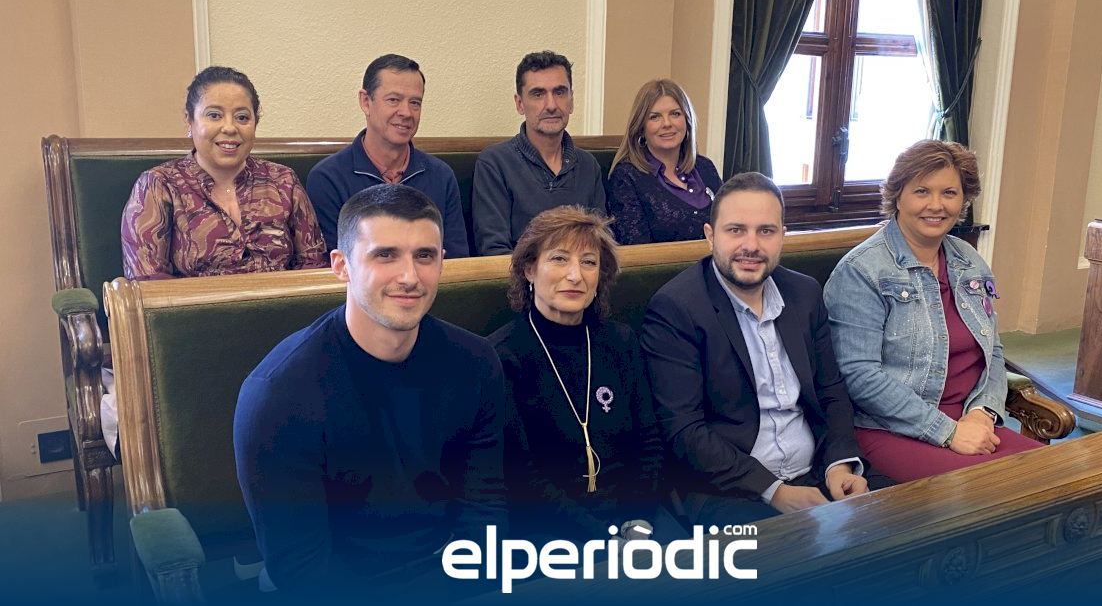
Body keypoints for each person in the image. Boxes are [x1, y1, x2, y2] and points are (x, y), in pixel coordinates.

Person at [234, 184, 505, 596]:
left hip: (450, 576)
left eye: (424, 256)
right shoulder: (278, 393)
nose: (409, 277)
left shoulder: (477, 362)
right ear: (341, 266)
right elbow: (303, 571)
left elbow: (484, 511)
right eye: (385, 255)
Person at [641, 173, 891, 528]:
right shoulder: (676, 308)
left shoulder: (804, 294)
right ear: (710, 235)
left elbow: (832, 391)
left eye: (766, 231)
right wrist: (774, 491)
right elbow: (684, 430)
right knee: (795, 555)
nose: (751, 245)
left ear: (782, 236)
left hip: (818, 470)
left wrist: (840, 465)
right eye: (736, 230)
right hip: (729, 489)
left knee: (907, 524)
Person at [823, 139, 1043, 483]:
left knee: (1058, 475)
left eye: (949, 193)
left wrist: (983, 412)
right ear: (898, 196)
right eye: (922, 191)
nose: (936, 205)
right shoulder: (861, 271)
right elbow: (858, 376)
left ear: (964, 199)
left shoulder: (970, 261)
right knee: (998, 489)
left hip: (970, 422)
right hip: (889, 428)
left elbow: (993, 351)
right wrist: (948, 432)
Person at [488, 206, 664, 544]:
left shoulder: (621, 341)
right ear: (529, 269)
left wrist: (637, 522)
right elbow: (521, 475)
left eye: (589, 262)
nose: (575, 275)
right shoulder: (501, 356)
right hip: (549, 530)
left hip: (634, 519)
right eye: (559, 259)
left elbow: (649, 443)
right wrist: (604, 540)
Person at [120, 66, 327, 280]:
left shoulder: (283, 181)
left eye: (242, 117)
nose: (229, 128)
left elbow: (313, 266)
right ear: (189, 120)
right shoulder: (159, 185)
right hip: (193, 303)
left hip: (284, 301)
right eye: (214, 115)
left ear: (255, 123)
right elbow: (148, 283)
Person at [306, 54, 470, 258]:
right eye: (394, 100)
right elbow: (334, 264)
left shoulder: (441, 175)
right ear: (366, 102)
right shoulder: (328, 178)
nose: (406, 112)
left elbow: (456, 259)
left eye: (415, 103)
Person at [472, 51, 606, 256]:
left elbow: (600, 245)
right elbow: (494, 252)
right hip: (519, 277)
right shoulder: (495, 163)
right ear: (520, 104)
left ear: (571, 101)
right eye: (538, 94)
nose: (551, 105)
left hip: (580, 275)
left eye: (560, 92)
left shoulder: (588, 165)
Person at [607, 79, 722, 245]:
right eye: (655, 117)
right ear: (640, 127)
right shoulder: (626, 177)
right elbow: (636, 251)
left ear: (687, 120)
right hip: (661, 263)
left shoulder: (705, 167)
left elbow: (732, 224)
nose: (667, 123)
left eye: (675, 114)